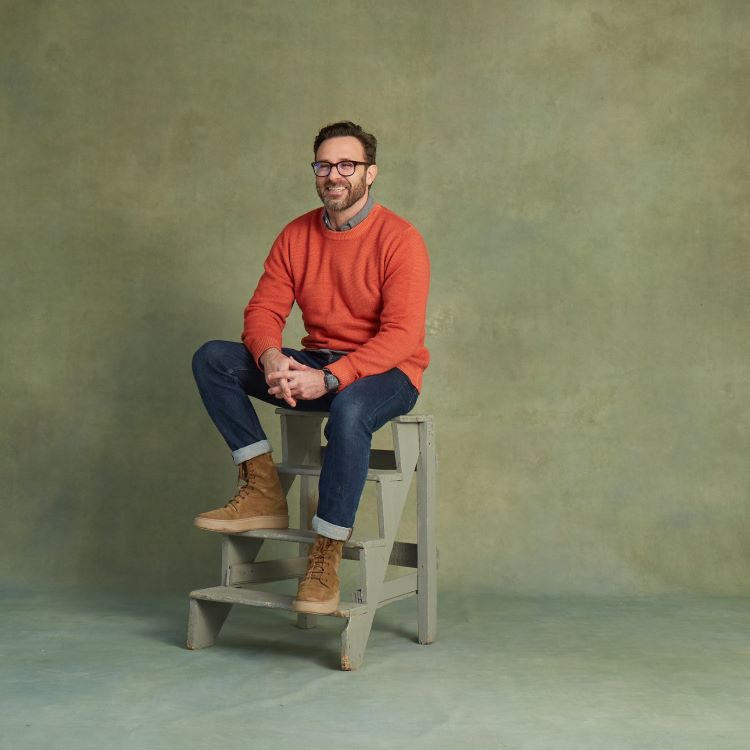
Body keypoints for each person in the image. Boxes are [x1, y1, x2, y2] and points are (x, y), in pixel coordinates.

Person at [191, 121, 430, 615]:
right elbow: (263, 311)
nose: (334, 175)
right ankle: (261, 487)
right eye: (324, 165)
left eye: (347, 165)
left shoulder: (401, 239)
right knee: (213, 359)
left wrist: (330, 378)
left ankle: (326, 553)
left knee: (349, 410)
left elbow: (402, 336)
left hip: (389, 372)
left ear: (370, 173)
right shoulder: (296, 234)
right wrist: (273, 359)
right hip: (319, 361)